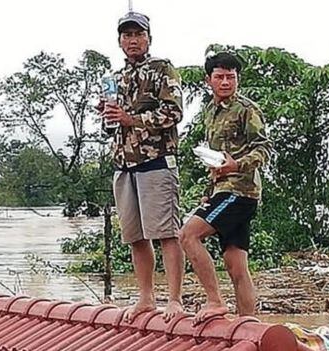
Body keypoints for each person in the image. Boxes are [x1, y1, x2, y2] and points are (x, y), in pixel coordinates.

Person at [102, 12, 185, 321]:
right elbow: (110, 127)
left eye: (138, 34)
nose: (133, 40)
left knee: (167, 233)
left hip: (156, 162)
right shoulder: (115, 78)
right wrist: (108, 114)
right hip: (123, 164)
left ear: (149, 38)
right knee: (135, 236)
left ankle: (174, 299)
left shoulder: (162, 69)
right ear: (119, 41)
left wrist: (131, 118)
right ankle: (146, 298)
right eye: (127, 35)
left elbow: (174, 113)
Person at [178, 51, 271, 323]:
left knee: (188, 235)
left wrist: (237, 165)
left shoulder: (246, 109)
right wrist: (209, 191)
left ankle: (215, 301)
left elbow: (264, 148)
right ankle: (247, 324)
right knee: (235, 264)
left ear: (238, 79)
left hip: (239, 191)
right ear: (209, 80)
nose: (226, 82)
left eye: (231, 77)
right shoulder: (210, 112)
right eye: (220, 77)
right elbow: (216, 158)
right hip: (222, 190)